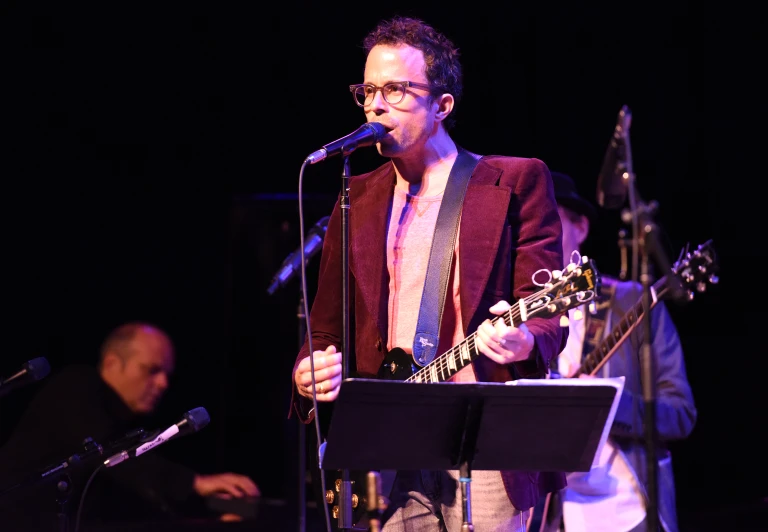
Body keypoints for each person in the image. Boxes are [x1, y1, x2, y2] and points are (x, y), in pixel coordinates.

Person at [289, 15, 569, 532]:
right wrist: (311, 367)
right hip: (393, 435)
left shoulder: (514, 181)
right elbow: (326, 326)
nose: (375, 104)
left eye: (395, 89)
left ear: (442, 106)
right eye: (368, 89)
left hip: (487, 436)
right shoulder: (360, 196)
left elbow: (547, 309)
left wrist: (525, 339)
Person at [531, 171, 697, 532]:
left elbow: (680, 413)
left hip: (628, 510)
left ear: (581, 228)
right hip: (550, 512)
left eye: (552, 222)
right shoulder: (520, 317)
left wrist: (604, 403)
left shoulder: (632, 302)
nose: (541, 236)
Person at [0, 321, 259, 531]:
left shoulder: (121, 421)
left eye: (167, 375)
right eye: (152, 370)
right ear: (113, 363)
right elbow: (111, 457)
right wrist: (195, 483)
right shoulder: (77, 385)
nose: (162, 384)